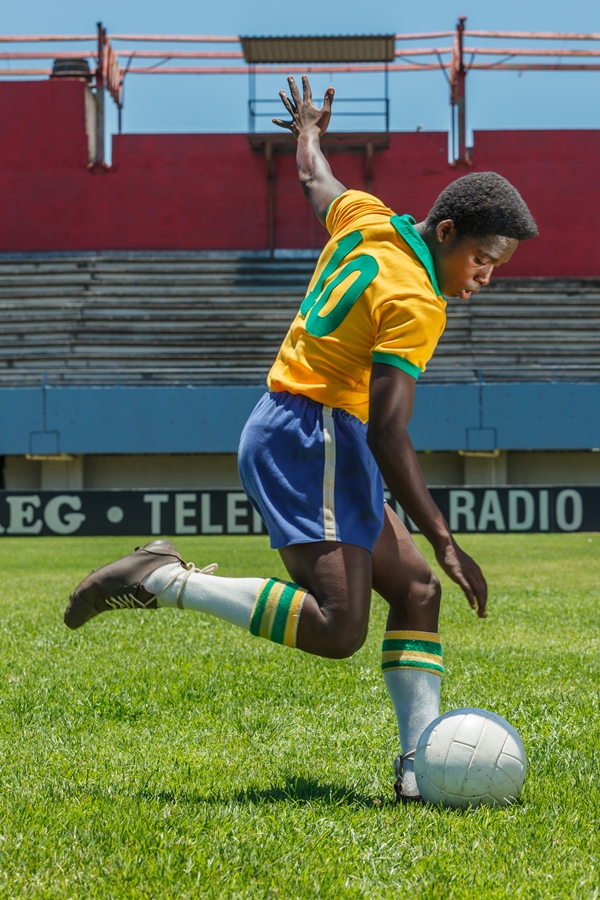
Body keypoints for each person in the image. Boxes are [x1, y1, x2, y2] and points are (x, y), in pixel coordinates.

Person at [64, 76, 538, 803]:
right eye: (481, 260)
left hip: (311, 429)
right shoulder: (415, 300)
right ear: (446, 233)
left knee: (414, 593)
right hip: (309, 434)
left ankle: (418, 772)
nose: (483, 279)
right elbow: (388, 430)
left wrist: (308, 130)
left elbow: (317, 179)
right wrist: (445, 537)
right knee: (339, 626)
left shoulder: (372, 220)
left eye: (495, 268)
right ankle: (162, 578)